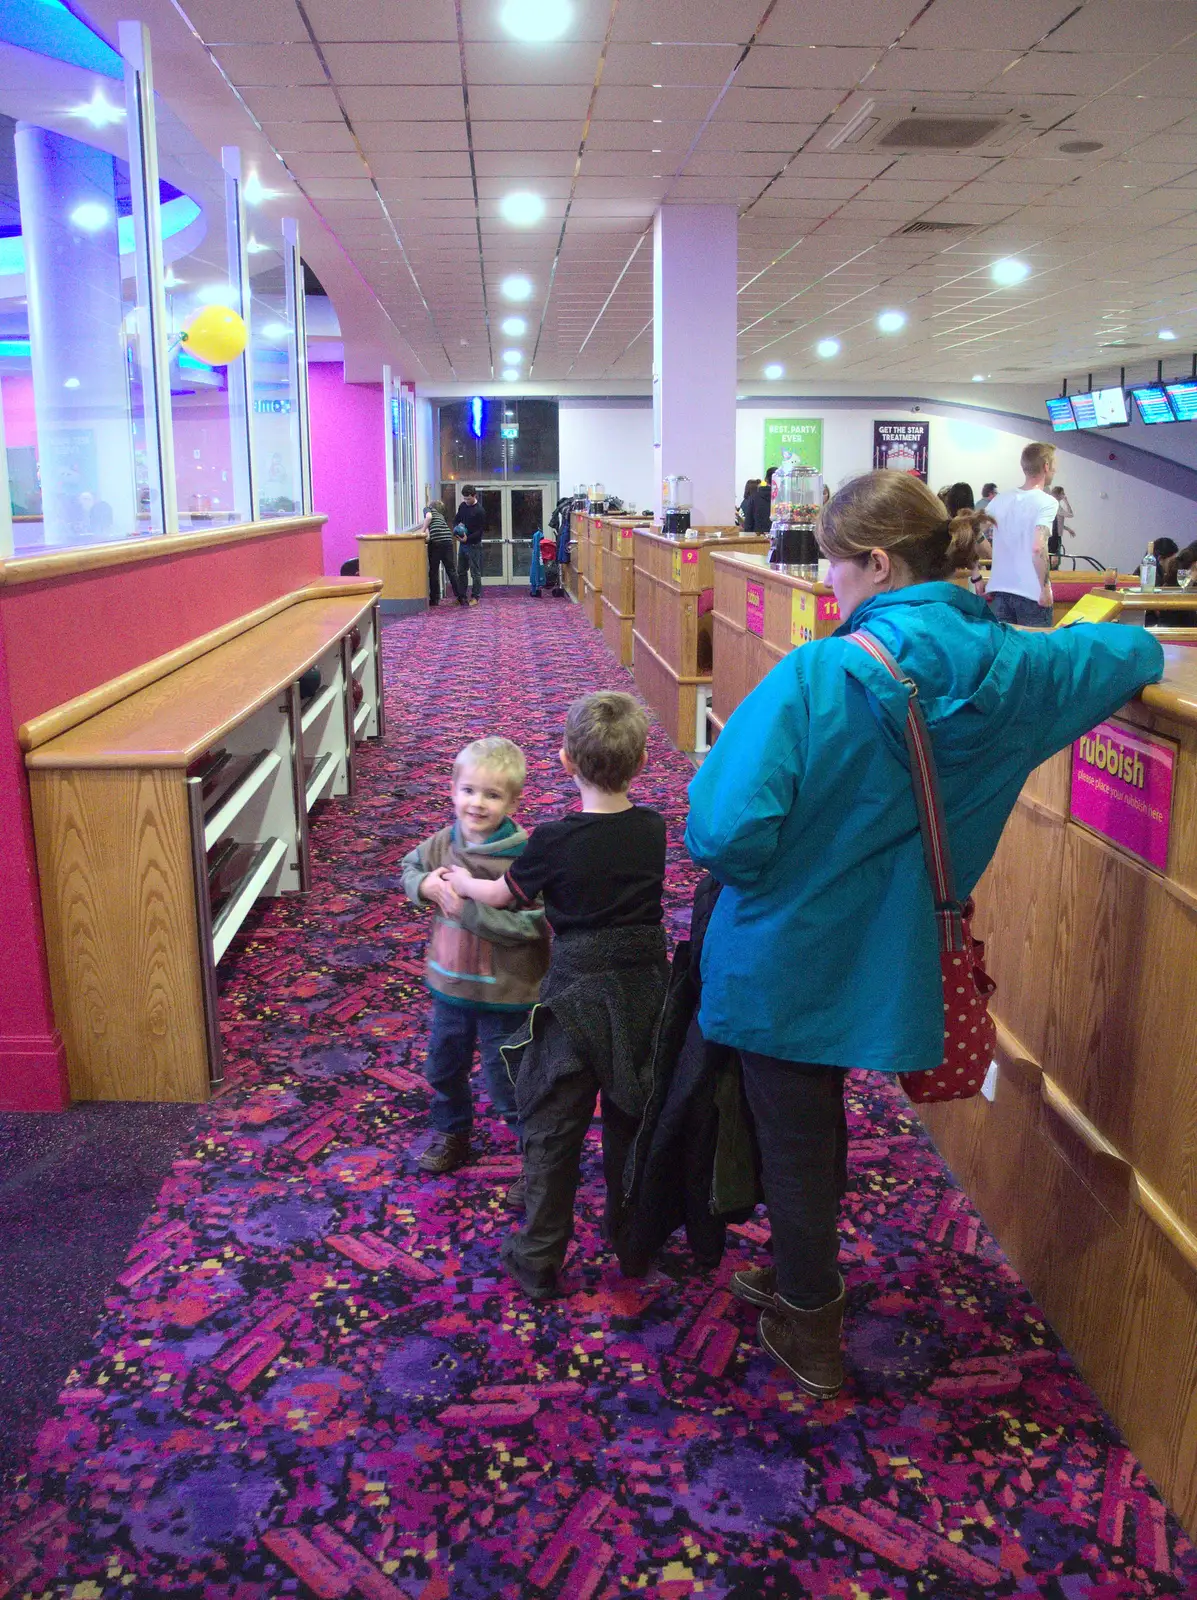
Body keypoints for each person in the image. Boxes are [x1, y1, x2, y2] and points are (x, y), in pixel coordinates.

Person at [685, 469, 1163, 1399]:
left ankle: (809, 1320)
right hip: (897, 955)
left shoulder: (818, 674)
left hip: (784, 947)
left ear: (875, 562)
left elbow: (722, 834)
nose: (829, 590)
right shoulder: (1025, 671)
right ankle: (800, 1276)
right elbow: (1131, 656)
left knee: (793, 1122)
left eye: (834, 570)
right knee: (811, 1118)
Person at [446, 692, 669, 1300]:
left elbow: (504, 899)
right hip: (644, 987)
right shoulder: (654, 829)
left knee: (552, 1124)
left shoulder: (551, 839)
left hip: (574, 988)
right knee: (633, 1114)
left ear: (565, 761)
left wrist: (465, 880)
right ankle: (634, 1241)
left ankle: (539, 1256)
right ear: (644, 761)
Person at [400, 738, 550, 1175]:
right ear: (452, 790)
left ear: (514, 800)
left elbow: (535, 926)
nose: (477, 803)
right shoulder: (444, 842)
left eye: (492, 794)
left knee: (509, 1081)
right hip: (451, 985)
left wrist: (467, 910)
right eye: (468, 791)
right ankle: (453, 1132)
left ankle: (536, 1159)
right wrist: (426, 887)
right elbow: (409, 869)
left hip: (507, 993)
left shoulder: (525, 855)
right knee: (443, 1066)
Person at [984, 443, 1059, 625]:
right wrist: (1045, 586)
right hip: (1032, 595)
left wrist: (976, 574)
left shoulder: (999, 500)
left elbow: (972, 534)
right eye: (1054, 465)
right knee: (1036, 652)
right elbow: (1037, 548)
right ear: (1046, 466)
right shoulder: (1047, 502)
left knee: (1007, 651)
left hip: (1000, 593)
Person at [424, 499, 466, 607]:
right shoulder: (441, 516)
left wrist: (422, 530)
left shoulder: (428, 509)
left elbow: (428, 518)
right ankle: (461, 598)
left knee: (433, 571)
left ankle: (434, 599)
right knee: (451, 570)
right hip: (447, 540)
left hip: (436, 542)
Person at [455, 485, 487, 604]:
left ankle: (475, 597)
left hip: (474, 544)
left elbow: (480, 531)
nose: (466, 501)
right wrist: (456, 529)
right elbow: (456, 519)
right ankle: (461, 597)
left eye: (468, 499)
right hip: (463, 544)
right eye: (465, 499)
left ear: (474, 496)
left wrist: (467, 539)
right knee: (461, 571)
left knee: (475, 572)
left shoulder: (480, 510)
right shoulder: (462, 506)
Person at [743, 468, 776, 533]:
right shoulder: (784, 498)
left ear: (766, 479)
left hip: (759, 539)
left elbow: (748, 525)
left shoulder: (754, 497)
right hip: (781, 539)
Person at [1048, 486, 1075, 567]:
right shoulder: (1056, 507)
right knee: (1054, 562)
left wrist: (1068, 529)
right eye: (1062, 493)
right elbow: (1070, 514)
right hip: (1054, 538)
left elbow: (1057, 524)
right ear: (1058, 494)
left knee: (1052, 561)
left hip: (1052, 536)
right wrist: (1066, 501)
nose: (1064, 495)